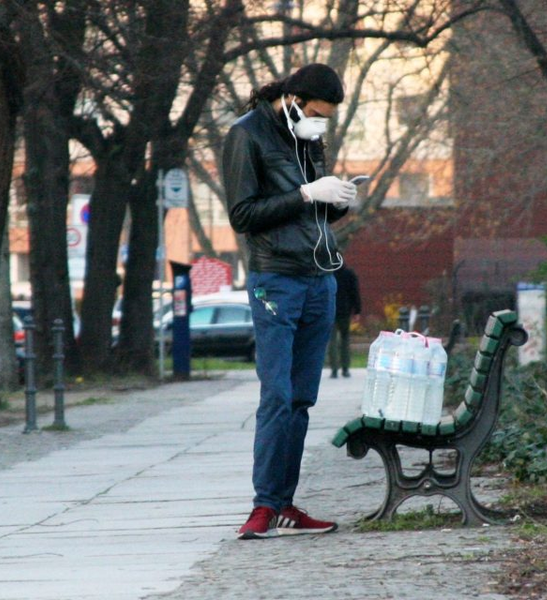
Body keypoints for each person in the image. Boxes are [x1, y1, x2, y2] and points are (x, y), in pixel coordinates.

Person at [222, 63, 357, 540]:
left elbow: (312, 211)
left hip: (320, 277)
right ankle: (263, 506)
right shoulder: (247, 135)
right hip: (275, 280)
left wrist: (337, 199)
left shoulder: (307, 137)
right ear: (294, 98)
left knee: (301, 399)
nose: (321, 123)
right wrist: (305, 192)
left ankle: (284, 504)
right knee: (277, 395)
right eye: (317, 113)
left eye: (327, 117)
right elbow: (243, 215)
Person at [328, 264, 362, 378]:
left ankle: (334, 369)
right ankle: (345, 368)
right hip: (345, 311)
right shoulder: (349, 274)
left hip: (331, 311)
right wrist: (357, 310)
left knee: (331, 341)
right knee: (345, 339)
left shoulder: (329, 274)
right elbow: (355, 292)